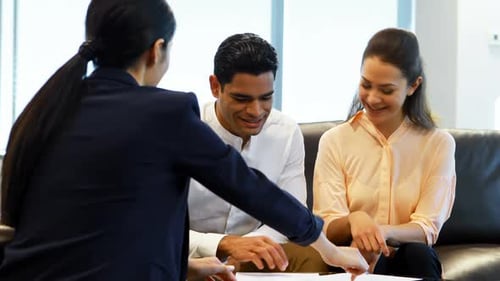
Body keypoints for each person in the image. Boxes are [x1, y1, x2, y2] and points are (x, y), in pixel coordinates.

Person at [0, 0, 368, 280]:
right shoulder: (166, 113)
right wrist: (328, 248)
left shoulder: (44, 110)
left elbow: (88, 227)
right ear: (156, 50)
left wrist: (189, 266)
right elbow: (246, 185)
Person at [313, 27, 456, 279]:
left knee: (418, 254)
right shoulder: (335, 140)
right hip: (350, 256)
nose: (373, 98)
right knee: (355, 255)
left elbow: (426, 229)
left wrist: (379, 232)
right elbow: (326, 226)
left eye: (386, 90)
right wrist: (354, 221)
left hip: (410, 257)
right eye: (366, 85)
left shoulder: (438, 143)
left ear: (413, 86)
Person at [189, 33, 327, 272]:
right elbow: (157, 227)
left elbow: (290, 212)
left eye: (266, 98)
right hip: (191, 258)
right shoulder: (187, 130)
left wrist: (250, 246)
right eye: (241, 99)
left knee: (311, 257)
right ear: (215, 86)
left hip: (255, 259)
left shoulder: (286, 132)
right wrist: (223, 244)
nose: (256, 111)